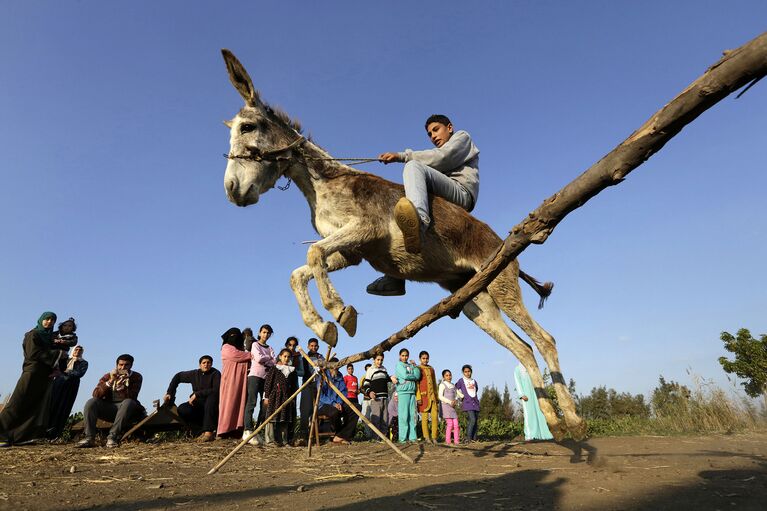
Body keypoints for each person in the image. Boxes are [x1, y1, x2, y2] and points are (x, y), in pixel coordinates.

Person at [368, 114, 480, 296]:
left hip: (462, 194)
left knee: (413, 167)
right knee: (404, 201)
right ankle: (395, 278)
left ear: (449, 127)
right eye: (429, 134)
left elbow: (443, 157)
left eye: (436, 130)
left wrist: (401, 156)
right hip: (444, 195)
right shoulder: (435, 158)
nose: (433, 136)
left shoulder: (462, 138)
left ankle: (419, 222)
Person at [0, 312, 62, 446]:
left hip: (44, 375)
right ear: (41, 320)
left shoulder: (49, 338)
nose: (49, 322)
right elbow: (33, 353)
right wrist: (57, 353)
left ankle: (19, 437)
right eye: (47, 319)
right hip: (31, 372)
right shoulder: (33, 334)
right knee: (17, 402)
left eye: (52, 320)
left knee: (34, 405)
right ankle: (1, 434)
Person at [77, 354, 145, 448]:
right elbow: (96, 394)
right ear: (116, 365)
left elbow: (132, 396)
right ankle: (89, 438)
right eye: (120, 365)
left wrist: (123, 386)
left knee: (128, 402)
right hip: (110, 409)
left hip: (127, 410)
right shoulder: (108, 376)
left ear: (131, 365)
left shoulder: (136, 377)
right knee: (91, 402)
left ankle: (112, 437)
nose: (123, 367)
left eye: (126, 365)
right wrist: (111, 381)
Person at [163, 355, 221, 442]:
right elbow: (178, 377)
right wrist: (170, 392)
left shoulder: (216, 373)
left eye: (208, 363)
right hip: (198, 404)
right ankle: (197, 431)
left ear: (211, 364)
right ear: (200, 365)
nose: (206, 365)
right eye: (204, 363)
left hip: (212, 405)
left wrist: (197, 394)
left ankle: (208, 432)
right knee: (182, 409)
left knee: (211, 398)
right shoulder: (194, 374)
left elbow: (216, 390)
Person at [48, 344, 89, 439]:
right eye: (76, 349)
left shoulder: (83, 363)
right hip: (58, 384)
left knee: (64, 407)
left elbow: (79, 373)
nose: (77, 351)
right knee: (52, 405)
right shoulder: (65, 360)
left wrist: (64, 372)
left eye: (80, 350)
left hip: (71, 386)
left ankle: (56, 434)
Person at [243, 324, 275, 444]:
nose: (266, 335)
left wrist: (266, 359)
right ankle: (247, 429)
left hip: (266, 378)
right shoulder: (255, 345)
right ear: (260, 332)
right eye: (264, 332)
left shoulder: (270, 347)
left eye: (268, 333)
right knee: (252, 402)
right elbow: (259, 358)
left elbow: (274, 362)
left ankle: (257, 430)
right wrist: (268, 359)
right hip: (255, 376)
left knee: (265, 404)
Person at [218, 327, 250, 438]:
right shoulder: (226, 347)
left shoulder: (242, 349)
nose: (234, 338)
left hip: (241, 381)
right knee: (228, 403)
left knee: (240, 403)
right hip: (230, 380)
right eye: (231, 335)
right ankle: (224, 430)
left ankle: (237, 429)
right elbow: (236, 356)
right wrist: (250, 355)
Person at [317, 358, 357, 444]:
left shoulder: (339, 376)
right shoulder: (323, 376)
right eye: (333, 366)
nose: (335, 368)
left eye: (337, 366)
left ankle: (341, 435)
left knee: (356, 408)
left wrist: (339, 402)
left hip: (338, 403)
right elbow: (320, 396)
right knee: (334, 411)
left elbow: (343, 391)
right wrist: (333, 403)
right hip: (324, 405)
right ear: (329, 366)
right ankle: (339, 434)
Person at [262, 348, 298, 446]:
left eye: (288, 357)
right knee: (271, 417)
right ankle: (269, 440)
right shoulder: (274, 368)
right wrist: (266, 397)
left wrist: (293, 398)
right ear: (280, 356)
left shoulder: (293, 371)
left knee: (284, 417)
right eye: (284, 356)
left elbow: (295, 386)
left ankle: (283, 440)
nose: (286, 358)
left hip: (287, 397)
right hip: (275, 396)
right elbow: (268, 383)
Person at [513, 363, 553, 441]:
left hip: (536, 394)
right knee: (529, 415)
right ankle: (530, 435)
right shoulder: (517, 369)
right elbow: (517, 382)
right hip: (526, 396)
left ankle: (543, 434)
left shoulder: (532, 368)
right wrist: (521, 394)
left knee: (540, 413)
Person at [297, 338, 324, 445]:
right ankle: (303, 435)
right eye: (311, 346)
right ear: (308, 346)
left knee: (317, 409)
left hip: (318, 385)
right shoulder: (304, 357)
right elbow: (301, 372)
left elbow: (325, 368)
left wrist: (321, 367)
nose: (314, 347)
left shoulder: (321, 357)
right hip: (308, 384)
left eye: (315, 346)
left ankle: (316, 434)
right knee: (305, 409)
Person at [360, 354, 393, 438]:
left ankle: (384, 438)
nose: (380, 361)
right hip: (376, 398)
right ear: (374, 360)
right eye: (378, 359)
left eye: (381, 360)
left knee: (385, 418)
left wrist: (393, 378)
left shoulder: (384, 369)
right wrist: (370, 392)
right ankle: (375, 438)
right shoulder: (370, 370)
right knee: (376, 419)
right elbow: (366, 384)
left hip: (385, 397)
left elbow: (388, 379)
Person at [394, 349, 421, 443]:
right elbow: (405, 376)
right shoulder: (399, 365)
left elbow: (418, 375)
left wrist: (415, 367)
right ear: (399, 356)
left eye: (406, 355)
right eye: (403, 355)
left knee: (413, 416)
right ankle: (402, 438)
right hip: (403, 392)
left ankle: (412, 437)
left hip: (412, 392)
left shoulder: (411, 365)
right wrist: (413, 375)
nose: (405, 357)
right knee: (403, 416)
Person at [416, 351, 439, 444]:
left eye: (426, 358)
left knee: (434, 417)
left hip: (432, 397)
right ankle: (426, 437)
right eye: (423, 358)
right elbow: (417, 384)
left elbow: (434, 382)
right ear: (420, 359)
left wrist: (436, 397)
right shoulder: (418, 369)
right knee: (424, 418)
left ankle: (434, 437)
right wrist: (418, 397)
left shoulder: (431, 369)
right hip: (423, 396)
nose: (425, 360)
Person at [454, 364, 480, 442]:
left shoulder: (474, 381)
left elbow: (476, 390)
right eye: (465, 372)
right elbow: (455, 388)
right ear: (463, 373)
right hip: (467, 403)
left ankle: (474, 439)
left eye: (469, 371)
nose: (467, 373)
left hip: (475, 403)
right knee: (472, 419)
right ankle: (468, 438)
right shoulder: (461, 381)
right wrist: (461, 395)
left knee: (475, 421)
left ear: (471, 372)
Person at [284, 336, 302, 444]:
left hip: (293, 384)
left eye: (294, 345)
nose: (292, 347)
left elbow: (301, 372)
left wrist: (293, 369)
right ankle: (281, 436)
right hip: (282, 385)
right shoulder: (282, 355)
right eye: (290, 345)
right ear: (286, 345)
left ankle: (290, 436)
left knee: (292, 409)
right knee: (282, 409)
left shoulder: (298, 357)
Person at [438, 369, 463, 445]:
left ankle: (456, 441)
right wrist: (450, 402)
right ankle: (448, 441)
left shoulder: (453, 385)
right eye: (447, 375)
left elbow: (460, 394)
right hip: (445, 406)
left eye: (450, 375)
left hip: (452, 407)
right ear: (443, 377)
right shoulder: (442, 385)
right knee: (450, 424)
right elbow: (440, 396)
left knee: (456, 424)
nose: (449, 377)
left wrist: (456, 399)